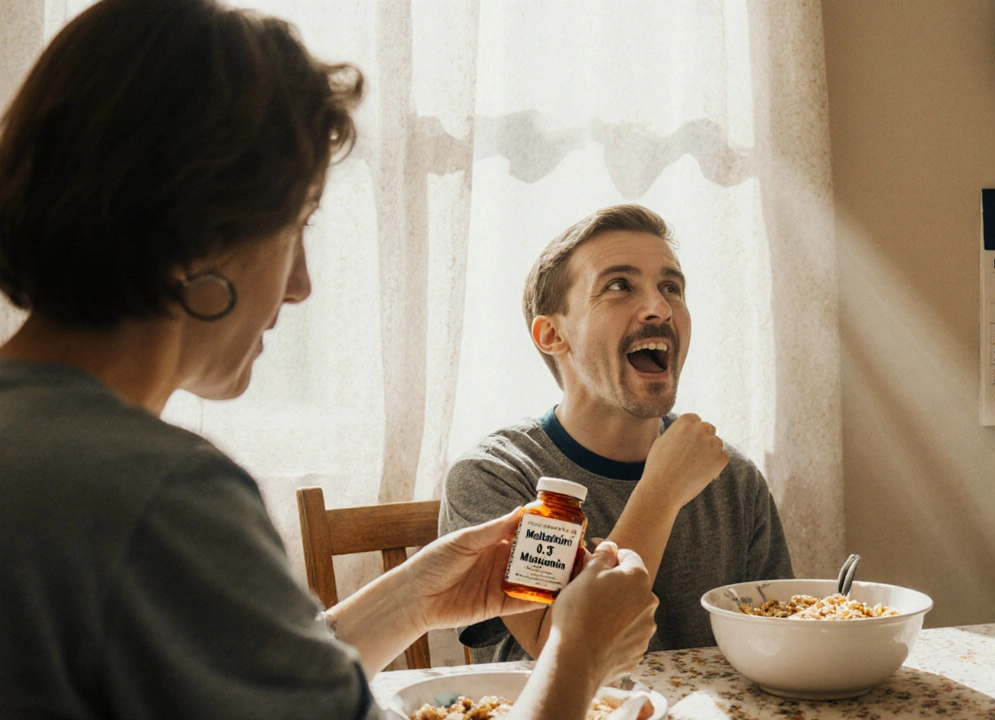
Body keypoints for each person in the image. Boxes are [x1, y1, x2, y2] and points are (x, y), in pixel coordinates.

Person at [0, 2, 657, 719]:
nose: (301, 283)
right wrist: (578, 650)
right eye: (296, 225)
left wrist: (412, 600)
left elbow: (245, 685)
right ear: (203, 224)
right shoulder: (161, 497)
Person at [440, 204, 794, 663]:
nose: (660, 308)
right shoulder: (495, 478)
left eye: (671, 287)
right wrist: (662, 492)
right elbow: (562, 652)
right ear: (551, 335)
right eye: (619, 286)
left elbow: (780, 641)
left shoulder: (733, 478)